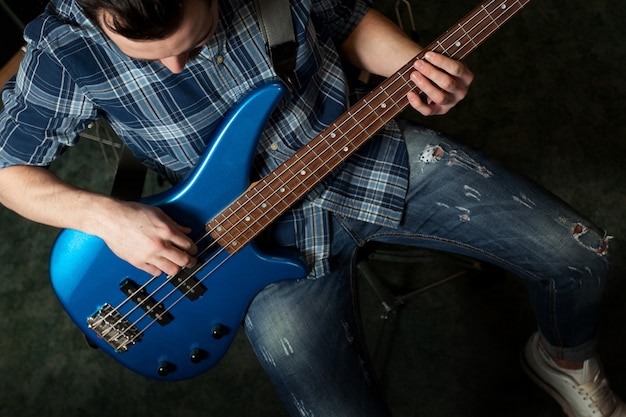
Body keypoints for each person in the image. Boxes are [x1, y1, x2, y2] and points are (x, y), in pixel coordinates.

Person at [0, 0, 623, 415]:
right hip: (232, 246)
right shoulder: (62, 48)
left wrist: (414, 66)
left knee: (582, 256)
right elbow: (8, 170)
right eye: (153, 57)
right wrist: (106, 216)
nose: (172, 66)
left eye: (192, 43)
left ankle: (561, 358)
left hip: (363, 154)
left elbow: (347, 20)